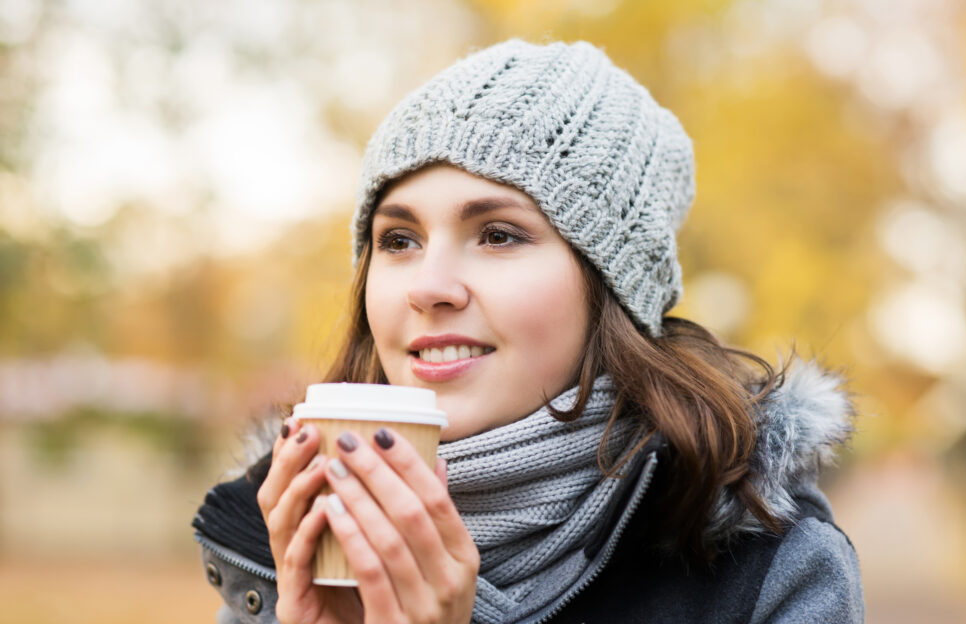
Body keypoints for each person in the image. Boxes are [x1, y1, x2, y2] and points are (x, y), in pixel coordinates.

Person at [192, 39, 864, 624]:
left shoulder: (770, 576)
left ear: (611, 291)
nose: (429, 285)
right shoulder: (284, 545)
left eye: (498, 235)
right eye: (398, 239)